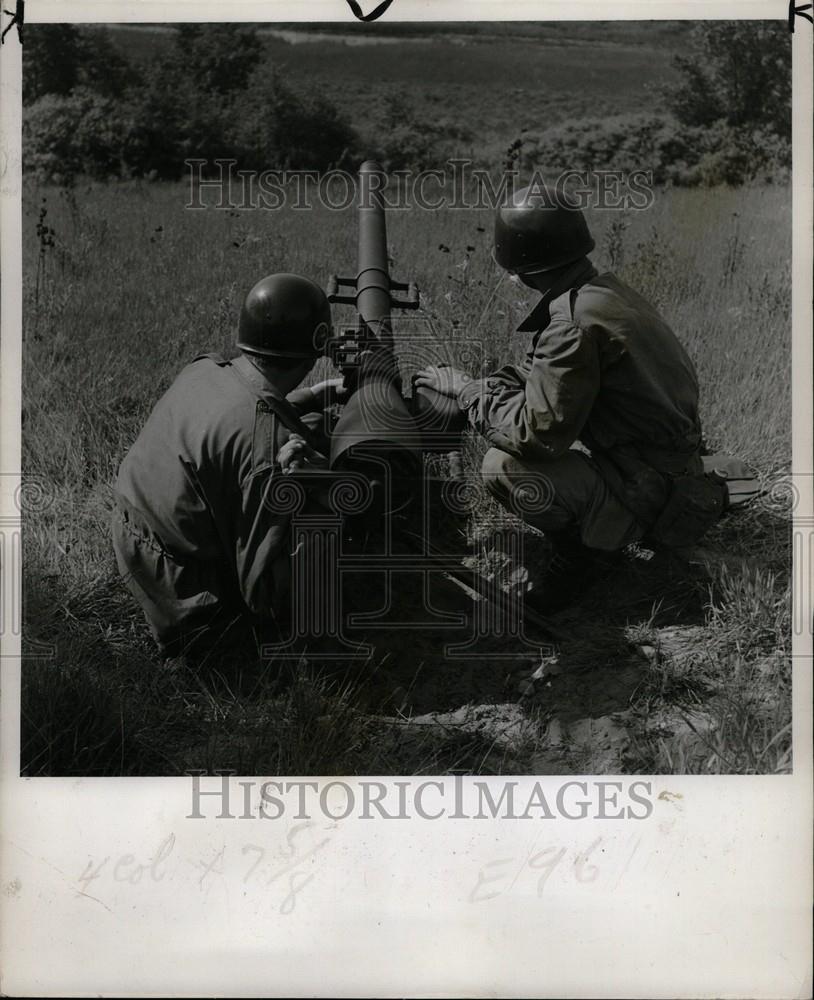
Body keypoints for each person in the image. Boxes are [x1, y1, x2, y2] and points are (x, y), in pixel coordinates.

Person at [415, 182, 727, 600]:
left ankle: (587, 556)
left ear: (518, 267)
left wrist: (468, 391)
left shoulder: (572, 322)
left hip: (647, 490)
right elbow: (537, 374)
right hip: (666, 471)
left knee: (502, 466)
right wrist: (488, 387)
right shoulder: (603, 294)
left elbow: (538, 438)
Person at [111, 272, 341, 662]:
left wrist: (308, 399)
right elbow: (265, 596)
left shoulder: (205, 370)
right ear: (313, 350)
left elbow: (243, 411)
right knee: (319, 510)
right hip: (190, 605)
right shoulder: (267, 448)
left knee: (311, 429)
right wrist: (324, 491)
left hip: (134, 542)